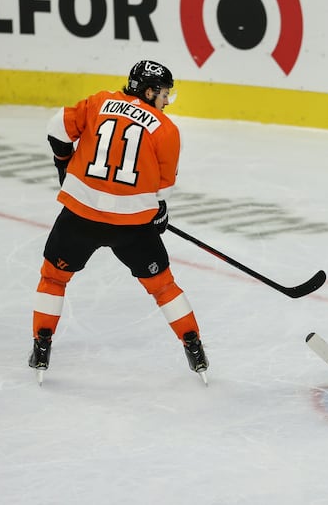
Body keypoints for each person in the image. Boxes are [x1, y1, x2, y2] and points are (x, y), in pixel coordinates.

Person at [28, 60, 209, 384]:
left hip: (80, 215)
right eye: (165, 94)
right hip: (131, 227)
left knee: (54, 279)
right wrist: (158, 212)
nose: (167, 101)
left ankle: (41, 345)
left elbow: (57, 127)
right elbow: (162, 189)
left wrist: (63, 164)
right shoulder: (166, 129)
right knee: (163, 285)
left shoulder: (99, 102)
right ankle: (193, 345)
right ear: (150, 90)